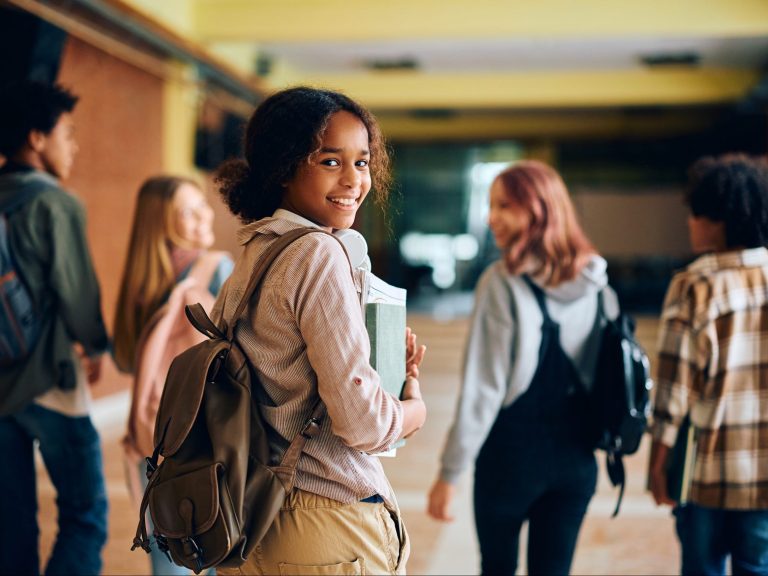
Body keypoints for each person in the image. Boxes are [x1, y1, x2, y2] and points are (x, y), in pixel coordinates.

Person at [211, 86, 427, 575]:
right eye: (330, 161)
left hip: (252, 515)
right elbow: (363, 424)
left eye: (363, 162)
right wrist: (412, 409)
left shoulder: (256, 253)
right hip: (325, 523)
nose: (353, 180)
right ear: (284, 167)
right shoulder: (318, 253)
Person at [427, 160, 619, 575]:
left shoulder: (501, 283)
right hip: (577, 462)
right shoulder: (598, 284)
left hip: (510, 461)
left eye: (504, 206)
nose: (490, 217)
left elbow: (483, 389)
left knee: (497, 568)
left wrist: (449, 473)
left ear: (537, 210)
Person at [0, 81, 110, 575]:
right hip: (49, 379)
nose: (74, 145)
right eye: (67, 132)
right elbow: (77, 292)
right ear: (36, 138)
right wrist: (97, 346)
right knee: (84, 517)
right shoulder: (56, 204)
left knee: (11, 522)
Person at [648, 153, 768, 576]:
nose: (690, 223)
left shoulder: (695, 284)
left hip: (706, 474)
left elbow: (672, 389)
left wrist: (658, 462)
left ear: (718, 218)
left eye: (695, 213)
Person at [113, 175, 233, 576]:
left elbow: (126, 360)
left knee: (169, 558)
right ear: (160, 221)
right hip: (204, 437)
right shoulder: (216, 269)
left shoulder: (140, 284)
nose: (203, 216)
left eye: (202, 205)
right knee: (216, 545)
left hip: (151, 435)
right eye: (188, 210)